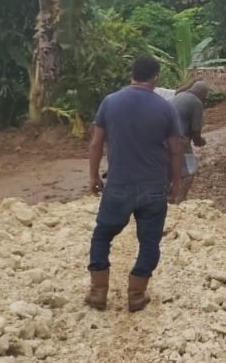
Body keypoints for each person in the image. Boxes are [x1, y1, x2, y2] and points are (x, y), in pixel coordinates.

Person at [85, 56, 184, 312]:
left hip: (118, 184)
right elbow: (176, 150)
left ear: (132, 74)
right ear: (155, 77)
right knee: (149, 242)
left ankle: (98, 291)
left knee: (102, 235)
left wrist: (93, 176)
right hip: (154, 187)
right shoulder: (166, 108)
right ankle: (137, 295)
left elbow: (96, 143)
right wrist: (176, 182)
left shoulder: (110, 102)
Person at [170, 81, 209, 202]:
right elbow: (196, 130)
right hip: (178, 139)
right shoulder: (196, 102)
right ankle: (180, 200)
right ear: (203, 94)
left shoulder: (179, 96)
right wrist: (199, 141)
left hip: (162, 138)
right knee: (190, 170)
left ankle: (169, 198)